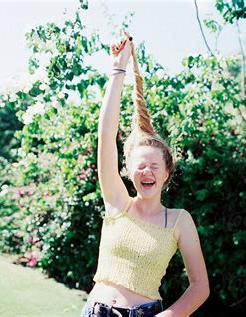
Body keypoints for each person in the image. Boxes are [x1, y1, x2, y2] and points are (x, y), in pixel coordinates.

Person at [80, 31, 209, 317]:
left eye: (154, 166)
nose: (146, 171)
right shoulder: (117, 203)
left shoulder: (179, 220)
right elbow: (106, 136)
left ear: (166, 173)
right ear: (128, 171)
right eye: (139, 165)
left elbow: (200, 286)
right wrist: (118, 68)